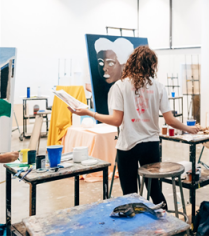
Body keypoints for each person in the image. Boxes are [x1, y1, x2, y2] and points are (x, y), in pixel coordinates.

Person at [69, 46, 199, 208]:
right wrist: (189, 128)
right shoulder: (158, 87)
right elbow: (170, 120)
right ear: (152, 65)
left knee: (130, 193)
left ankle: (137, 228)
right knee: (155, 191)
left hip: (128, 146)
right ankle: (167, 225)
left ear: (131, 62)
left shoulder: (120, 86)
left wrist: (89, 113)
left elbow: (116, 120)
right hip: (151, 145)